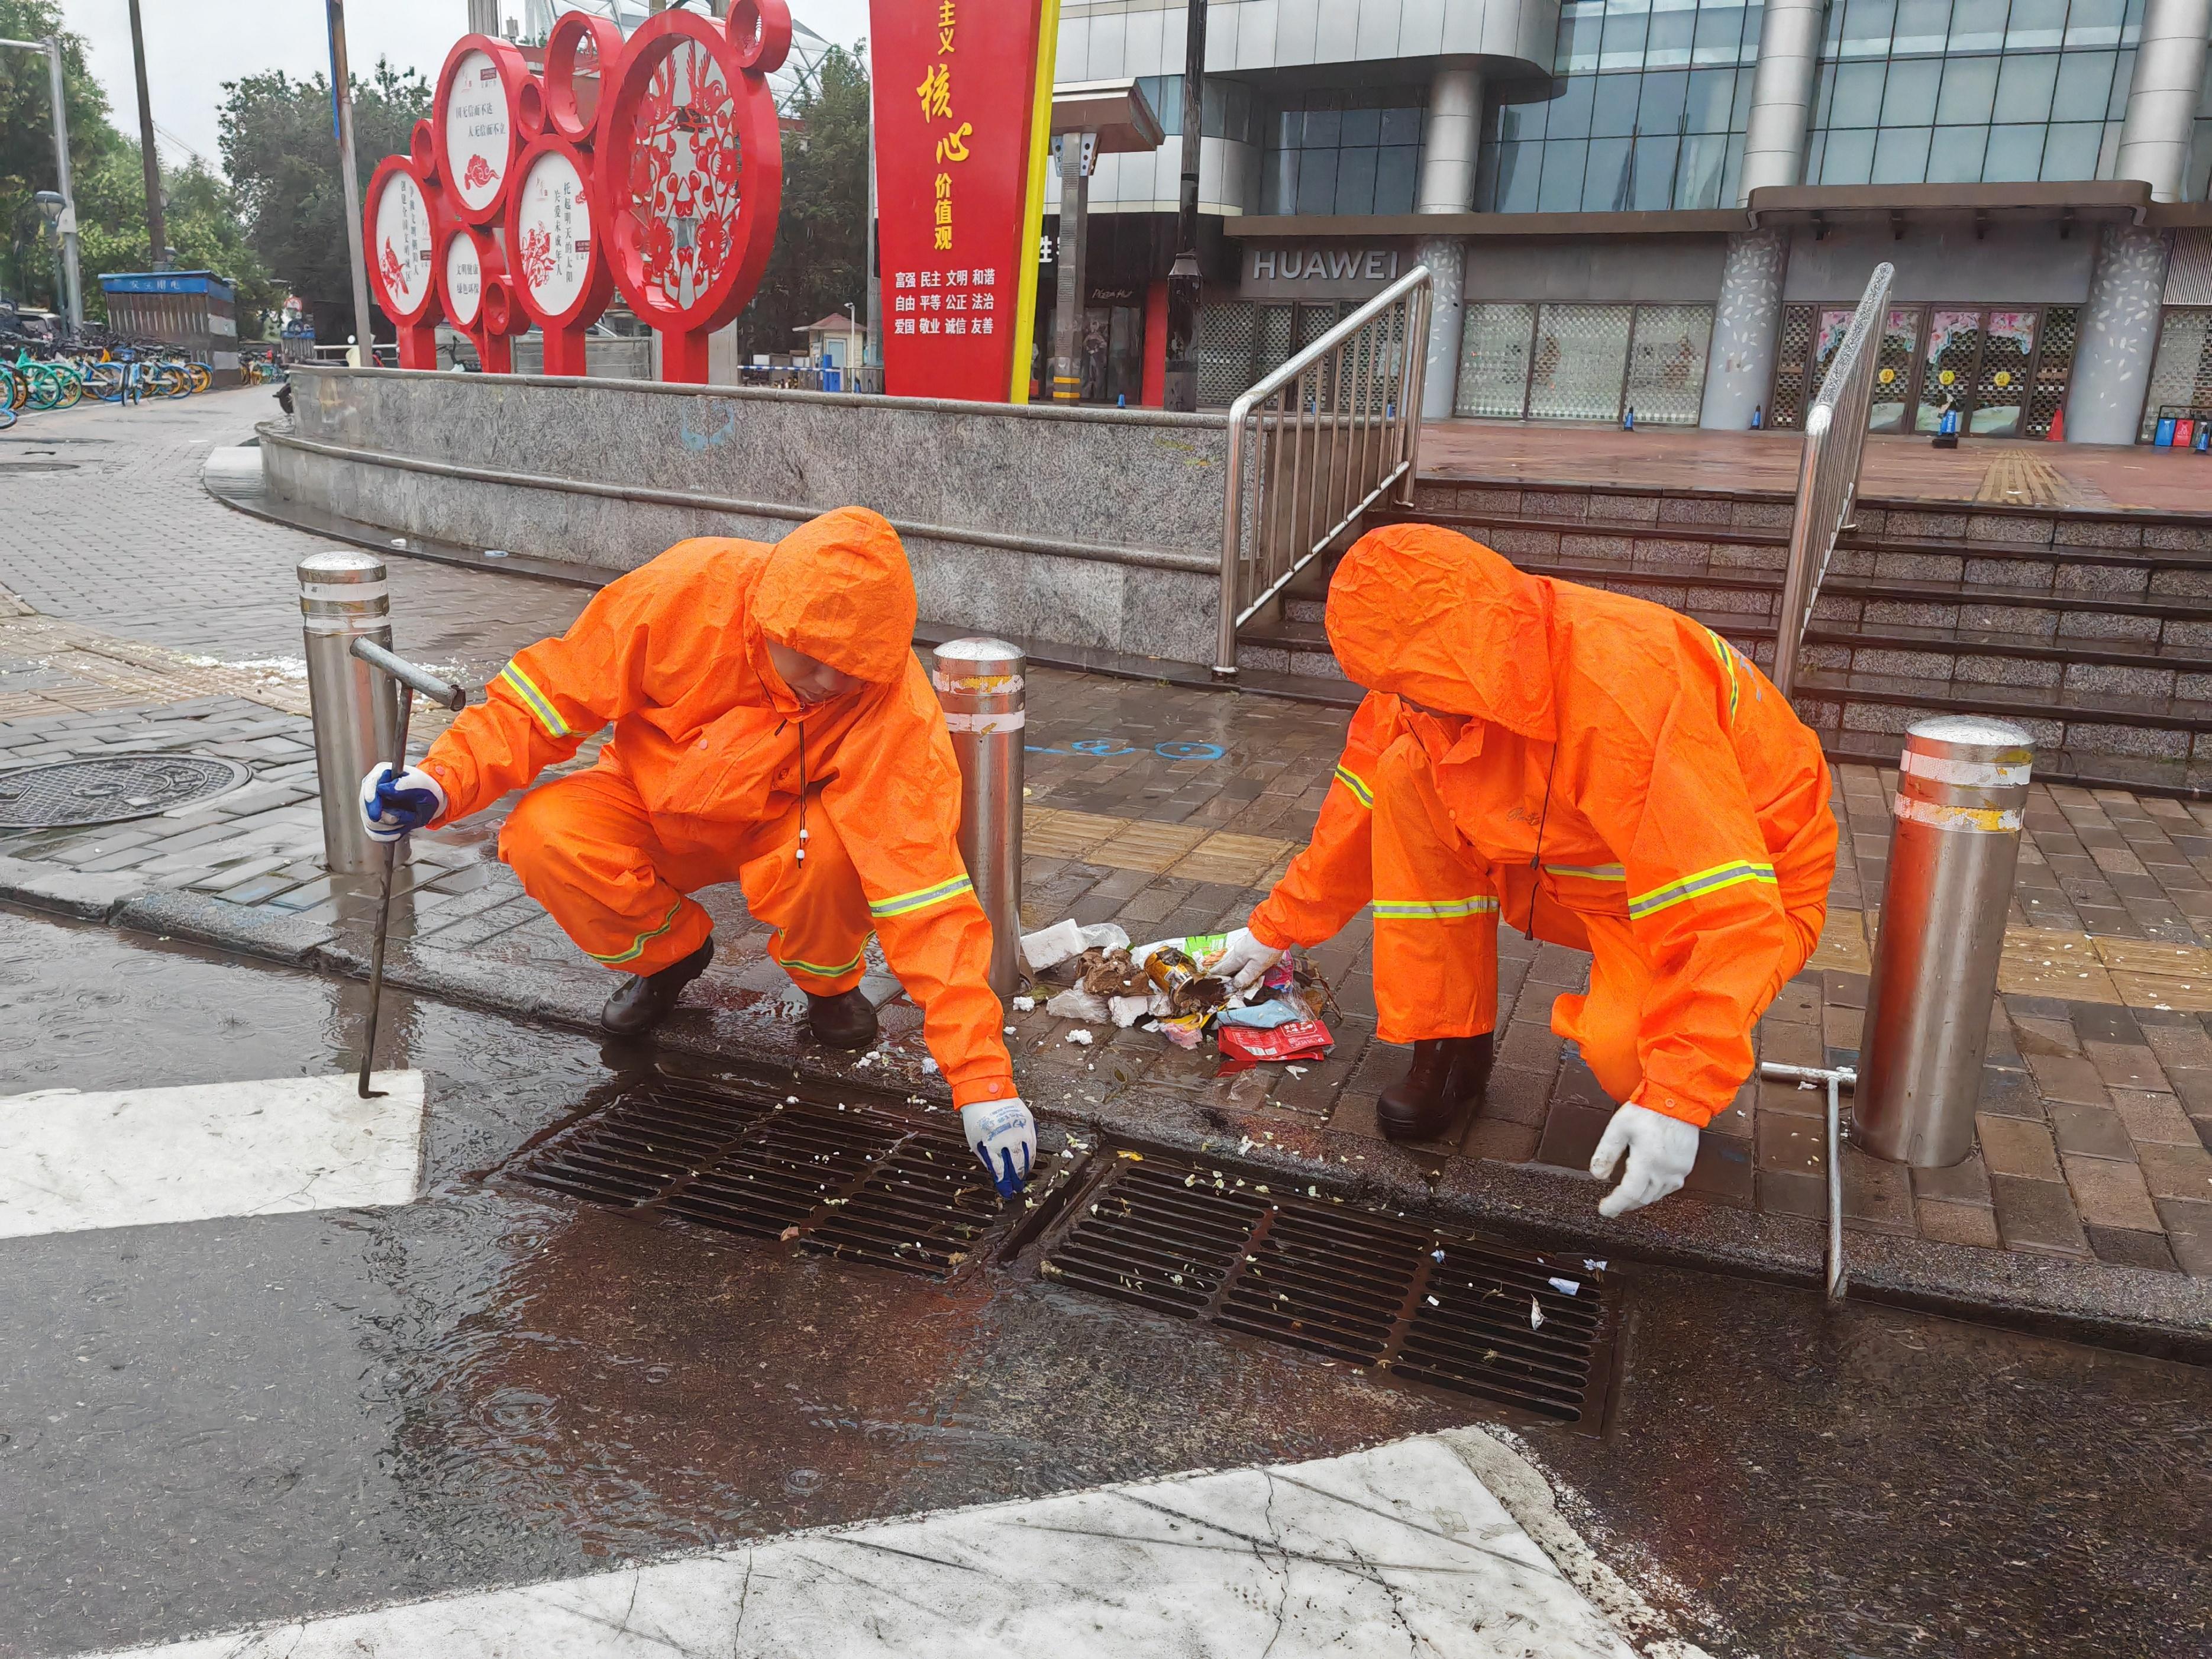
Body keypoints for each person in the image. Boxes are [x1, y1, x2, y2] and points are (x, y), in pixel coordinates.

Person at [357, 506, 1035, 1196]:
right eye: (813, 658)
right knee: (543, 833)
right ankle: (672, 953)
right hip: (649, 802)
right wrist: (439, 783)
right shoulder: (687, 588)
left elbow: (923, 890)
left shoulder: (893, 701)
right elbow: (545, 698)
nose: (832, 684)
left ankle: (829, 985)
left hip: (784, 828)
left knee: (836, 856)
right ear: (768, 617)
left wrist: (982, 1080)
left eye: (853, 670)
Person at [1211, 522, 1836, 1218]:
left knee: (1630, 1058)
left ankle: (1664, 1096)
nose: (1405, 705)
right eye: (1396, 689)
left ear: (1467, 658)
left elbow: (1719, 899)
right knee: (1402, 775)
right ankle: (1448, 1044)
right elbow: (1355, 809)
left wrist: (1680, 1096)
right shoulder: (1432, 676)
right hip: (1571, 863)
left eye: (1415, 691)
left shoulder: (1620, 689)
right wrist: (1275, 929)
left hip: (1741, 881)